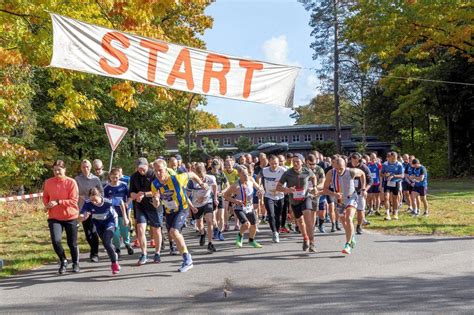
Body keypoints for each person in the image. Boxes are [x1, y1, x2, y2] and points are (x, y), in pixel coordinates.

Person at [151, 159, 208, 272]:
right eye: (156, 171)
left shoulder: (176, 179)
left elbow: (191, 174)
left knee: (174, 232)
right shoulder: (154, 184)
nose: (158, 174)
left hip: (182, 208)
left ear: (166, 170)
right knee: (174, 234)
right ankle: (187, 258)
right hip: (169, 211)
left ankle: (187, 260)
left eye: (160, 170)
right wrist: (156, 199)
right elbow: (156, 204)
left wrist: (201, 183)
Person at [323, 158, 367, 255]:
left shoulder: (351, 171)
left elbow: (363, 174)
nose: (339, 171)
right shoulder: (331, 173)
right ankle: (352, 238)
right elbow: (325, 189)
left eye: (341, 168)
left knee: (349, 219)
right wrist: (334, 194)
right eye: (337, 168)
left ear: (346, 165)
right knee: (344, 223)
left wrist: (363, 189)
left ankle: (347, 245)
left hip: (351, 197)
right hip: (339, 200)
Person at [43, 160, 80, 274]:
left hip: (70, 216)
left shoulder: (71, 182)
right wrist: (47, 204)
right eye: (55, 170)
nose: (57, 172)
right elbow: (45, 197)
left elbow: (74, 201)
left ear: (64, 170)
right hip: (54, 216)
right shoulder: (48, 182)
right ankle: (63, 260)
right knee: (56, 240)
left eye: (59, 170)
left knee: (72, 243)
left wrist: (59, 202)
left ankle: (75, 263)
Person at [276, 153, 319, 252]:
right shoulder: (287, 173)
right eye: (293, 162)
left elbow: (314, 177)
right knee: (300, 222)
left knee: (308, 219)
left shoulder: (307, 171)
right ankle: (305, 238)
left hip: (306, 197)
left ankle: (312, 243)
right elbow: (278, 187)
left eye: (297, 162)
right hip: (294, 201)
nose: (295, 163)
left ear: (302, 162)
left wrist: (315, 186)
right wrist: (287, 190)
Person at [79, 187, 125, 275]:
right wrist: (82, 217)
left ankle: (114, 264)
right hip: (99, 225)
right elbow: (82, 213)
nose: (94, 202)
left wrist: (125, 218)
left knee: (107, 242)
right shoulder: (88, 203)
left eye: (95, 200)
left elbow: (121, 202)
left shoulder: (107, 202)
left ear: (99, 195)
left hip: (110, 223)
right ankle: (113, 253)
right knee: (106, 243)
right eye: (92, 200)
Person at [129, 157, 163, 265]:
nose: (141, 170)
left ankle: (157, 253)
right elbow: (131, 192)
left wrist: (144, 194)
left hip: (153, 205)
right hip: (140, 206)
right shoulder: (134, 177)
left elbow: (158, 191)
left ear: (147, 166)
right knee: (140, 229)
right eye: (139, 168)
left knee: (156, 229)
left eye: (143, 168)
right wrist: (136, 195)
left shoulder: (154, 175)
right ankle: (144, 254)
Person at [224, 165, 264, 249]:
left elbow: (259, 188)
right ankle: (240, 236)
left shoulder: (251, 180)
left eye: (247, 173)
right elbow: (225, 196)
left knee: (254, 225)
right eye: (244, 174)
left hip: (249, 207)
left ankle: (251, 240)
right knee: (246, 224)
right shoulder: (235, 185)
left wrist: (260, 192)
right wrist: (236, 201)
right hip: (239, 208)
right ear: (239, 174)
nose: (246, 176)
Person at [75, 159, 103, 262]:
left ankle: (94, 253)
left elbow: (101, 193)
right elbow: (74, 193)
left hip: (94, 208)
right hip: (83, 209)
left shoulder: (95, 179)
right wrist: (79, 197)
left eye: (87, 167)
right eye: (83, 167)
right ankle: (93, 248)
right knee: (88, 233)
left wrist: (96, 201)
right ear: (81, 168)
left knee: (93, 230)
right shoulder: (77, 179)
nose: (85, 169)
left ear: (90, 168)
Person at [188, 162, 219, 253]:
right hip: (196, 205)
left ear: (205, 172)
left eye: (202, 176)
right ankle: (202, 233)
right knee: (199, 224)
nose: (200, 179)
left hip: (207, 202)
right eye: (199, 176)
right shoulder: (191, 182)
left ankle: (210, 243)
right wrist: (192, 206)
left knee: (209, 221)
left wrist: (215, 198)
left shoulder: (211, 178)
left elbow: (215, 186)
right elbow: (186, 196)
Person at [104, 168, 134, 257]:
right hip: (113, 214)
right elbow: (104, 201)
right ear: (110, 177)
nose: (114, 179)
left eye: (116, 177)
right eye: (112, 177)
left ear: (119, 176)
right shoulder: (107, 188)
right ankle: (117, 248)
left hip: (123, 212)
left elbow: (130, 196)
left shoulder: (124, 185)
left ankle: (127, 244)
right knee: (115, 233)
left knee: (124, 230)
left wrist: (127, 203)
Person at [257, 155, 286, 243]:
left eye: (276, 164)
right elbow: (258, 177)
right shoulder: (264, 170)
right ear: (269, 162)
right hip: (268, 195)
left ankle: (277, 230)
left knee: (278, 216)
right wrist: (260, 186)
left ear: (279, 163)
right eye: (272, 164)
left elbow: (289, 180)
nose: (274, 165)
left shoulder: (283, 170)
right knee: (271, 214)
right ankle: (274, 232)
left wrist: (286, 189)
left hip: (280, 195)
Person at [348, 152, 373, 235]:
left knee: (360, 209)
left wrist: (365, 190)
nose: (354, 163)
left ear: (359, 160)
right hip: (349, 192)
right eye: (352, 161)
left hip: (360, 191)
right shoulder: (347, 166)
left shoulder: (364, 168)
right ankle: (348, 225)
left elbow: (370, 181)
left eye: (356, 161)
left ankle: (359, 226)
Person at [208, 159, 228, 241]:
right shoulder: (208, 174)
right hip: (210, 197)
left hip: (219, 197)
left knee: (222, 217)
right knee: (213, 218)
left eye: (217, 168)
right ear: (211, 167)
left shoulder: (221, 174)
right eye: (214, 168)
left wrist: (222, 192)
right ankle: (216, 230)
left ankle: (220, 233)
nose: (215, 170)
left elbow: (227, 185)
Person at [305, 154, 326, 234]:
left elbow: (323, 182)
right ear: (306, 162)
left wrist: (315, 188)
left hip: (315, 193)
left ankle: (312, 228)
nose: (313, 166)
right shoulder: (302, 169)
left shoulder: (319, 169)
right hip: (304, 193)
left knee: (313, 212)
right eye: (311, 164)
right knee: (305, 212)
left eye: (314, 164)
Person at [381, 152, 404, 220]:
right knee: (386, 197)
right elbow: (381, 174)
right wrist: (385, 175)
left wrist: (394, 176)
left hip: (395, 183)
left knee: (395, 198)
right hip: (387, 183)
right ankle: (388, 214)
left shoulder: (399, 164)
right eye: (392, 157)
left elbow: (402, 176)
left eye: (395, 157)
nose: (394, 159)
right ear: (390, 157)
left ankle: (395, 213)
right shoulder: (385, 164)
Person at [223, 158, 239, 231]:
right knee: (225, 208)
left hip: (234, 192)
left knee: (235, 208)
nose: (229, 166)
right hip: (226, 192)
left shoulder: (235, 172)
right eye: (227, 165)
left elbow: (238, 182)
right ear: (225, 165)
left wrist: (234, 189)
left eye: (230, 164)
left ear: (233, 164)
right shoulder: (223, 172)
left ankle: (237, 224)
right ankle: (226, 224)